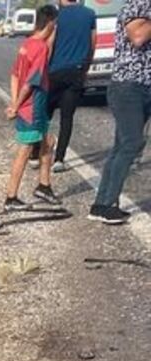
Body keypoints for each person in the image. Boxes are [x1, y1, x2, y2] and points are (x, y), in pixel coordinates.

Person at [88, 0, 151, 224]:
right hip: (128, 86)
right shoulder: (137, 5)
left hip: (142, 85)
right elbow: (138, 37)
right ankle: (107, 205)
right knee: (131, 144)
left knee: (121, 146)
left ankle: (101, 204)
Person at [4, 5, 62, 211]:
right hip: (32, 108)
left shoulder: (26, 44)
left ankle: (44, 185)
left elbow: (14, 76)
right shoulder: (40, 48)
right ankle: (11, 197)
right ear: (50, 24)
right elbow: (30, 82)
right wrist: (17, 106)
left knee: (48, 141)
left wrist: (13, 103)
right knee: (25, 150)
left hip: (27, 107)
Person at [46, 0, 97, 173]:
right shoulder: (89, 14)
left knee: (45, 114)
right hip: (76, 71)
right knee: (67, 118)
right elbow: (93, 43)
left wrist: (44, 68)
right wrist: (86, 68)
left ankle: (36, 153)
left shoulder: (57, 15)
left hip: (55, 71)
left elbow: (50, 44)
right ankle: (59, 159)